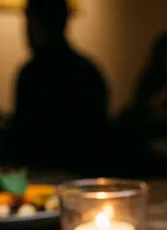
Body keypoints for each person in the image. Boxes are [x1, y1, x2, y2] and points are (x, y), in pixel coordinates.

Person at [8, 0, 109, 170]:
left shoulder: (32, 74)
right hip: (85, 172)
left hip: (42, 175)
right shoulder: (89, 71)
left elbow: (24, 138)